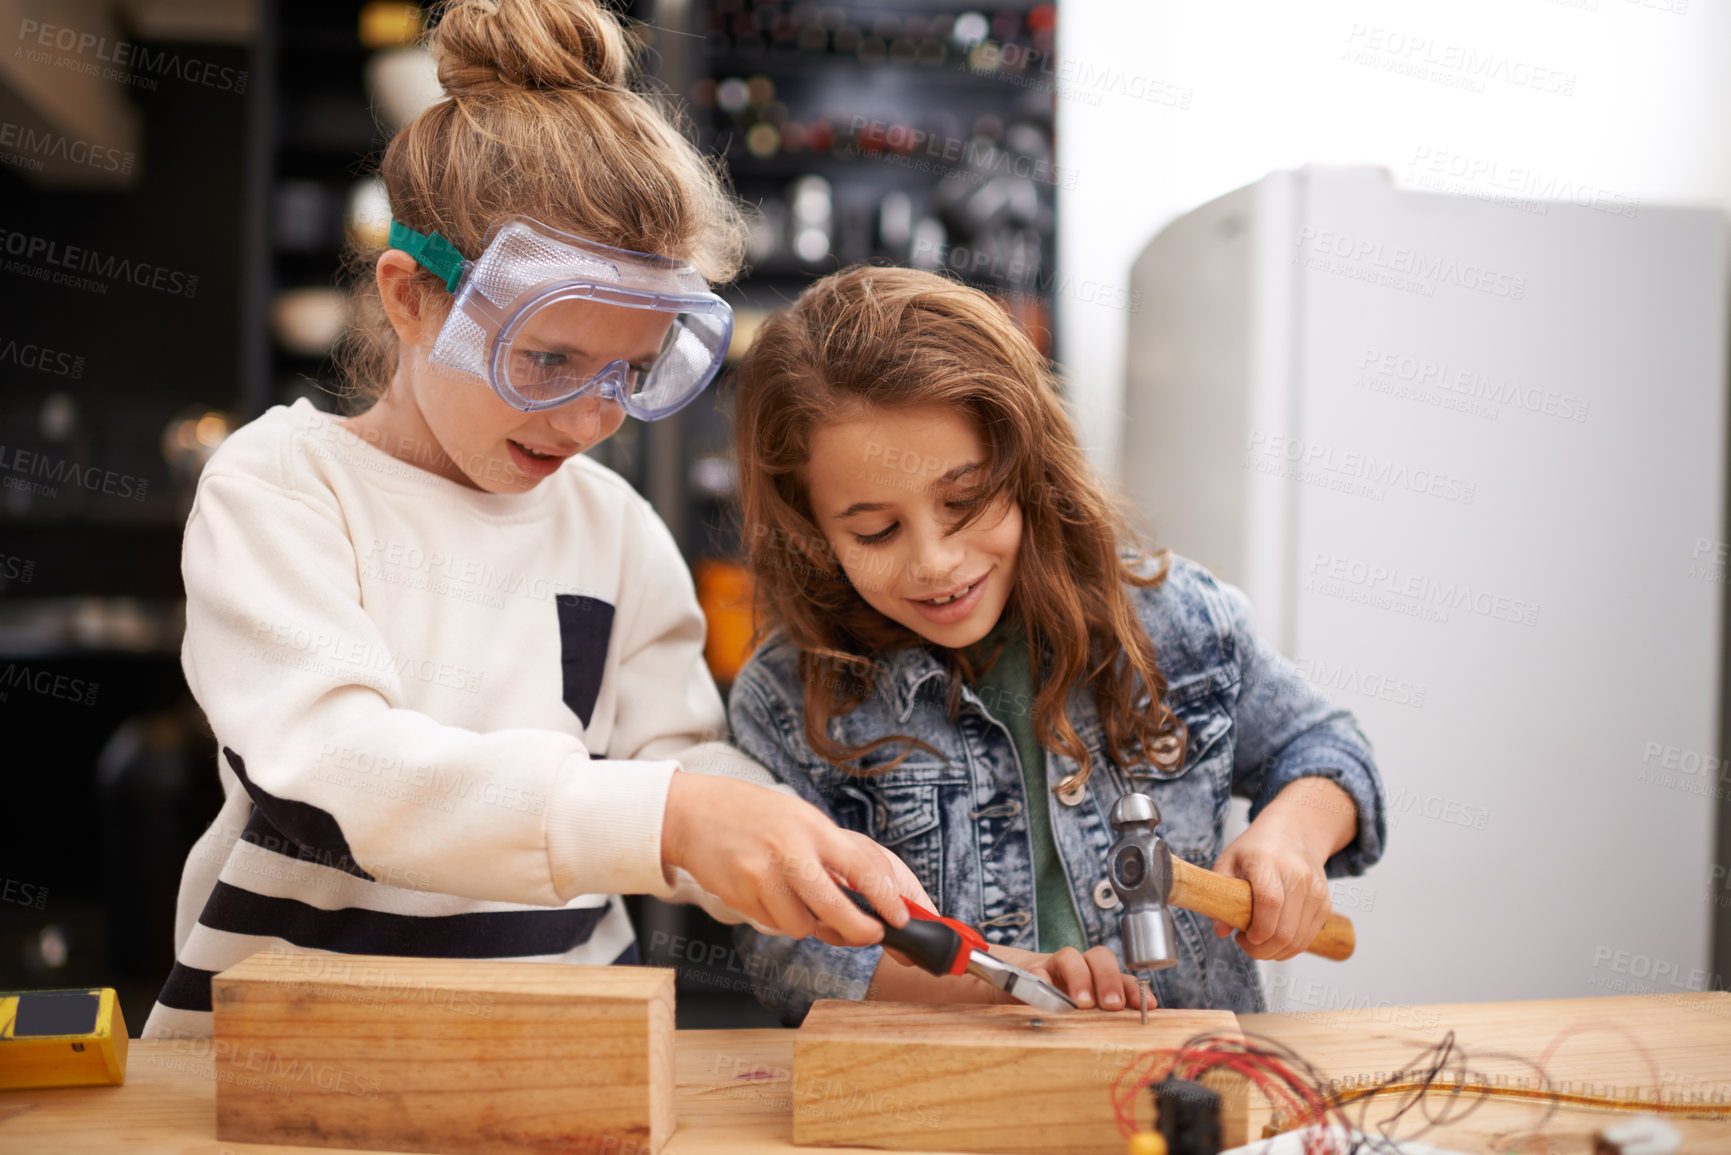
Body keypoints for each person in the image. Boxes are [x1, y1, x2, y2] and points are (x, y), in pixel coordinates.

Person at [142, 0, 920, 1039]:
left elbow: (672, 761)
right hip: (278, 1053)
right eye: (547, 359)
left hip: (563, 1045)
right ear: (412, 298)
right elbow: (339, 774)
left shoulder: (616, 526)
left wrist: (772, 840)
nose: (594, 414)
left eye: (631, 371)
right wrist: (677, 816)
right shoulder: (284, 486)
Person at [726, 265, 1388, 1024]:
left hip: (1194, 1094)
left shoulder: (1176, 622)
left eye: (965, 500)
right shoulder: (787, 700)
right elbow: (795, 955)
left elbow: (1326, 748)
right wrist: (1004, 978)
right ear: (811, 528)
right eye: (875, 530)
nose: (935, 561)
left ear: (1029, 467)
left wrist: (1295, 837)